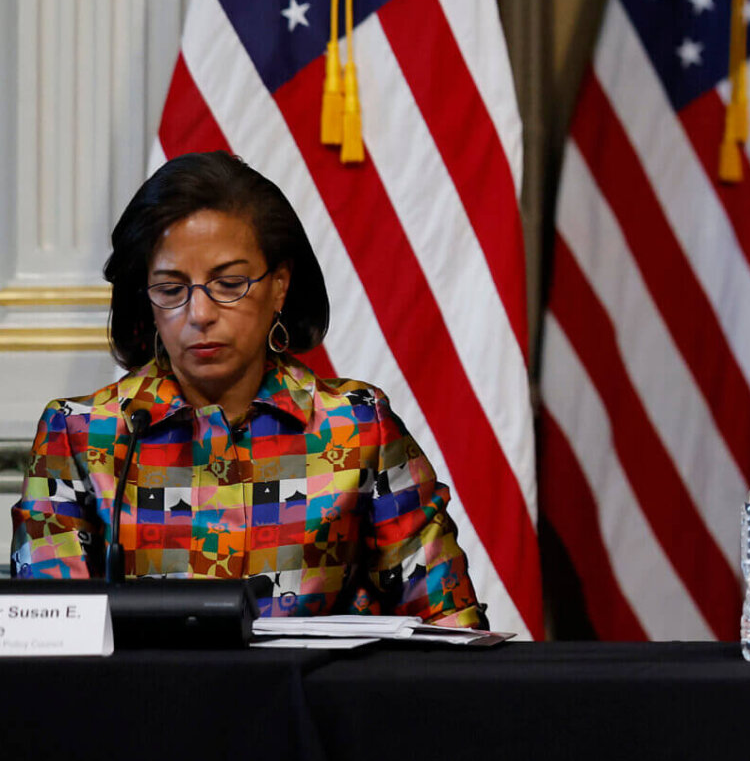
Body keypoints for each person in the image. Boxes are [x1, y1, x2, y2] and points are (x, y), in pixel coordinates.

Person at [10, 152, 484, 626]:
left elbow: (448, 630)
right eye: (171, 289)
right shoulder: (81, 435)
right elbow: (49, 641)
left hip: (307, 699)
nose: (199, 314)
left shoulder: (358, 428)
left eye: (229, 283)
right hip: (142, 701)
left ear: (279, 286)